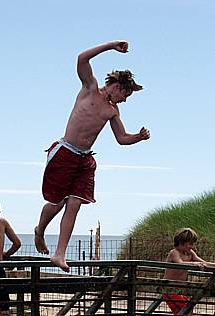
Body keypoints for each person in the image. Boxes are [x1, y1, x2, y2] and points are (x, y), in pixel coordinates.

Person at [34, 40, 150, 273]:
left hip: (85, 160)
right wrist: (111, 46)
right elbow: (81, 59)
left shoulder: (113, 111)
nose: (125, 100)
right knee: (57, 202)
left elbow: (121, 138)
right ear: (116, 86)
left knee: (74, 203)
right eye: (126, 94)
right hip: (65, 152)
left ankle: (59, 254)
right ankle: (39, 230)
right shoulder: (90, 88)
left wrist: (138, 137)